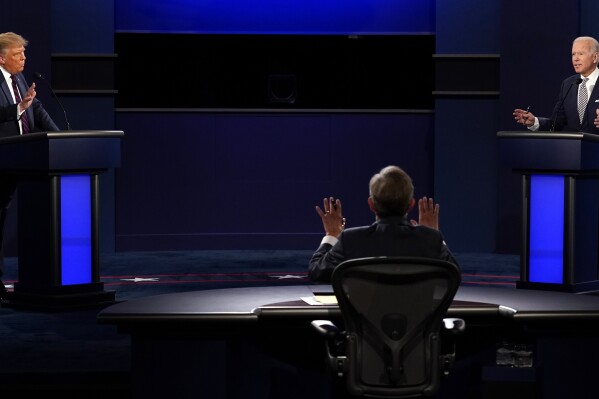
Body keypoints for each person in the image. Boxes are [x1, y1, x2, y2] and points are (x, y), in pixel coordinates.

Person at [308, 165, 458, 283]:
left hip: (364, 322)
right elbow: (454, 274)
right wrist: (431, 234)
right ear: (411, 205)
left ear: (371, 204)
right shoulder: (430, 239)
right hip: (419, 322)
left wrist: (332, 235)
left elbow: (317, 272)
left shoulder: (351, 239)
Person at [0, 32, 59, 298]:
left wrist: (60, 139)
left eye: (24, 53)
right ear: (2, 58)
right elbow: (19, 108)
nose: (23, 58)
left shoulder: (20, 78)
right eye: (17, 54)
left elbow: (35, 109)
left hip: (26, 158)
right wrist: (17, 107)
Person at [513, 36, 599, 133]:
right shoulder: (568, 84)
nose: (575, 58)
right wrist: (534, 122)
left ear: (595, 57)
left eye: (581, 54)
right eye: (573, 54)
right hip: (574, 147)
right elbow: (556, 123)